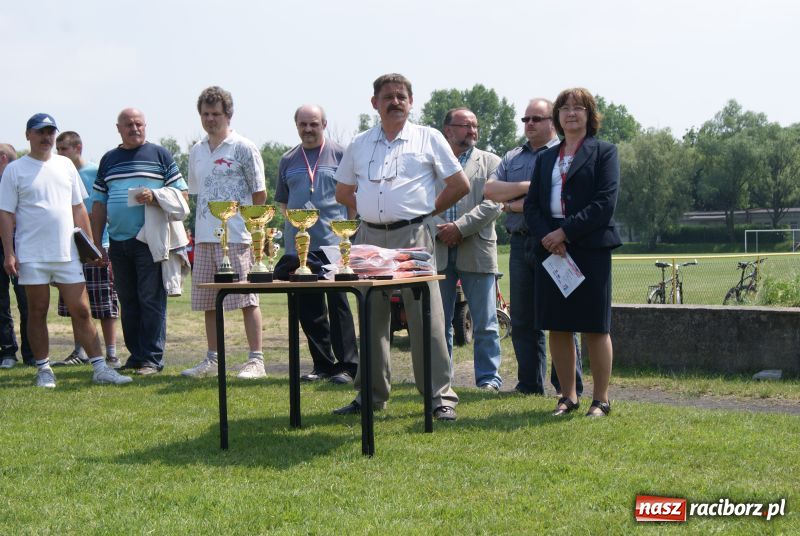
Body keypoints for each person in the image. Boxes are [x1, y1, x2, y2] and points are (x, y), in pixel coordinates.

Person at [334, 73, 470, 420]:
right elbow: (343, 191)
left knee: (428, 318)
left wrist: (426, 212)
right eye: (388, 96)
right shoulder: (360, 143)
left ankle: (440, 398)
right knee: (372, 318)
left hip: (414, 237)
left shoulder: (428, 138)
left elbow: (459, 184)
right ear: (374, 103)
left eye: (401, 96)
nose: (395, 101)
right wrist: (366, 211)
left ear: (411, 102)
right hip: (368, 238)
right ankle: (370, 396)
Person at [0, 113, 131, 387]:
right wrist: (9, 253)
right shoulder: (15, 170)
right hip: (31, 254)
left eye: (50, 132)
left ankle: (100, 368)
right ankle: (44, 369)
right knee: (36, 311)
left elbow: (78, 208)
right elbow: (6, 214)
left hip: (67, 253)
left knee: (82, 309)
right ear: (29, 136)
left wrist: (91, 246)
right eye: (40, 132)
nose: (46, 137)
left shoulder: (66, 166)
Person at [523, 88, 622, 417]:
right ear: (557, 118)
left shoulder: (604, 153)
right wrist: (549, 238)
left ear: (589, 115)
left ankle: (601, 399)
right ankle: (568, 396)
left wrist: (566, 232)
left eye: (579, 108)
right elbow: (532, 205)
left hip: (590, 247)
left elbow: (604, 204)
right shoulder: (545, 158)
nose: (571, 113)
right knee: (559, 325)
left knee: (595, 326)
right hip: (552, 249)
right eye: (564, 108)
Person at [485, 98, 584, 397]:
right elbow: (490, 190)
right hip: (519, 245)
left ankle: (568, 386)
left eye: (536, 119)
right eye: (525, 119)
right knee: (524, 318)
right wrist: (532, 187)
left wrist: (514, 204)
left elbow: (561, 197)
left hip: (552, 243)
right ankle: (529, 384)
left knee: (561, 318)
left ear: (552, 122)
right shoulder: (512, 157)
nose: (529, 124)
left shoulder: (564, 154)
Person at [91, 108, 189, 375]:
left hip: (149, 240)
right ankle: (136, 355)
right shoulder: (108, 159)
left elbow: (183, 195)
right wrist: (98, 242)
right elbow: (99, 203)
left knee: (151, 299)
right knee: (128, 300)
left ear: (146, 126)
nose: (134, 128)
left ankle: (152, 359)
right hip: (117, 241)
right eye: (128, 124)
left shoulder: (160, 154)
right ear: (118, 128)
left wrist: (155, 195)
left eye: (139, 124)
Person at [181, 86, 268, 380]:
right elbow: (195, 193)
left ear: (228, 115)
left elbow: (260, 193)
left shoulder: (244, 147)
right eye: (205, 114)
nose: (210, 119)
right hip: (206, 235)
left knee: (247, 298)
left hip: (239, 236)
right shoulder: (196, 150)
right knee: (208, 300)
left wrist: (255, 232)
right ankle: (213, 360)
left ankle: (256, 360)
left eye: (216, 114)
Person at [276, 104, 358, 384]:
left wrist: (350, 233)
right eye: (303, 125)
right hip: (299, 246)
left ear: (324, 124)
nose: (308, 129)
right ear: (296, 125)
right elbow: (283, 201)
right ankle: (323, 364)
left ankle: (348, 366)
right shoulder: (288, 159)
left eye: (314, 124)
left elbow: (352, 195)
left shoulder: (341, 154)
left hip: (334, 242)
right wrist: (296, 227)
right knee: (308, 308)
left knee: (339, 304)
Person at [436, 108, 503, 390]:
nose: (473, 131)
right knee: (439, 323)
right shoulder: (431, 161)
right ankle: (440, 378)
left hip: (476, 248)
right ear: (448, 129)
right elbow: (417, 200)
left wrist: (459, 228)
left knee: (485, 321)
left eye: (475, 126)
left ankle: (489, 379)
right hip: (437, 248)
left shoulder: (491, 162)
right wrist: (440, 228)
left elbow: (494, 203)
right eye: (466, 126)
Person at [52, 131, 120, 369]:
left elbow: (106, 204)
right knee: (75, 302)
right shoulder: (58, 173)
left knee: (104, 301)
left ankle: (111, 352)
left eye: (63, 149)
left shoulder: (95, 172)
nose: (58, 153)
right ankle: (79, 350)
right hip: (70, 248)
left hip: (99, 245)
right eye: (57, 149)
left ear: (78, 148)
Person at [0, 143, 33, 369]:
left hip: (21, 245)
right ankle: (8, 352)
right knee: (1, 303)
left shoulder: (20, 179)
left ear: (2, 158)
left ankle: (32, 353)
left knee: (28, 302)